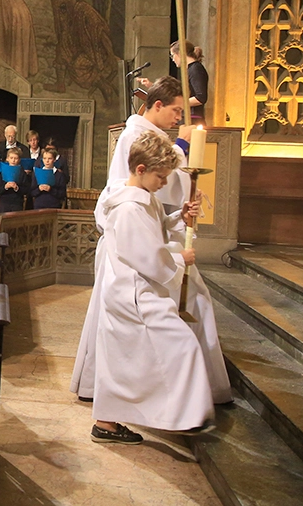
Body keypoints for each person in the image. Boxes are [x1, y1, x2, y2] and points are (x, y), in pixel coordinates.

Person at [69, 76, 230, 406]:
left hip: (142, 246)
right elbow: (143, 216)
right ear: (157, 105)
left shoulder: (147, 155)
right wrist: (182, 148)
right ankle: (166, 397)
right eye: (176, 110)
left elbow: (155, 204)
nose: (179, 118)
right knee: (130, 333)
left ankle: (187, 392)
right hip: (130, 260)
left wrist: (178, 217)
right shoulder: (136, 136)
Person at [90, 130, 213, 443]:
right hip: (134, 293)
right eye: (161, 176)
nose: (164, 183)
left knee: (129, 359)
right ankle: (185, 416)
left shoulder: (143, 199)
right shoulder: (130, 207)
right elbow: (148, 255)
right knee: (182, 345)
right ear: (141, 170)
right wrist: (180, 258)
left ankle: (109, 421)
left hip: (134, 290)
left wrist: (179, 217)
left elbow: (155, 230)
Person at [171, 40, 208, 121]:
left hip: (193, 118)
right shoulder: (190, 69)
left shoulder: (196, 69)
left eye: (173, 55)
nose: (173, 59)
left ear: (180, 54)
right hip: (187, 116)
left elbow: (200, 97)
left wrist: (177, 103)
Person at [0, 147, 31, 214]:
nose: (13, 160)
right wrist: (5, 187)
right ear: (7, 159)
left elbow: (26, 189)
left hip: (17, 202)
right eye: (11, 158)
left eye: (15, 158)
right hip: (4, 202)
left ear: (19, 159)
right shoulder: (3, 172)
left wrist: (17, 187)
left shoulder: (22, 173)